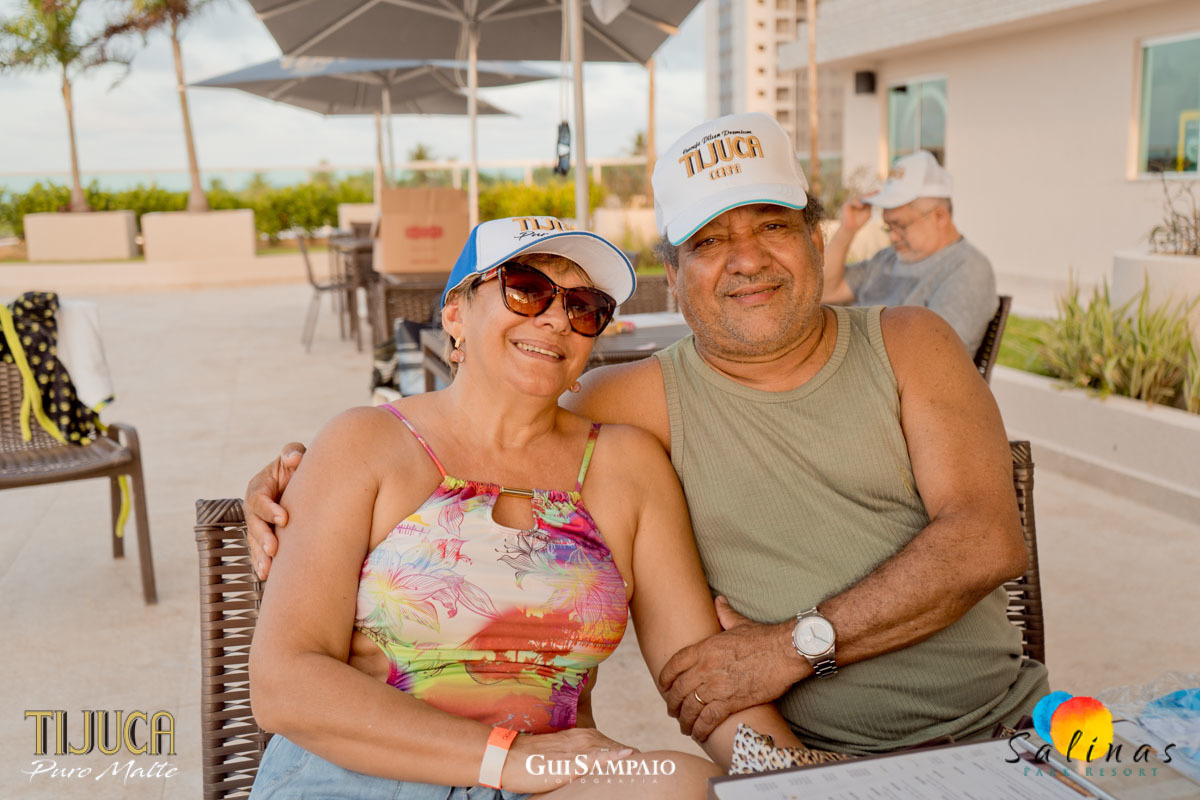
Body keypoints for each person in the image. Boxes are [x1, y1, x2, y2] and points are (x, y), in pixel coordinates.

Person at [246, 113, 1049, 757]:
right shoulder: (628, 405)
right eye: (709, 241)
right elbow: (482, 430)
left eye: (771, 225)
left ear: (815, 237)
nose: (746, 260)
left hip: (1004, 730)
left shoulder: (909, 343)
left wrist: (793, 651)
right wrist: (298, 480)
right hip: (805, 752)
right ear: (675, 270)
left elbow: (986, 538)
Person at [246, 215, 805, 798]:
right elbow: (284, 683)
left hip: (542, 785)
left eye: (584, 307)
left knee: (683, 785)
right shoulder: (366, 442)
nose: (557, 318)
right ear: (456, 314)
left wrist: (805, 780)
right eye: (527, 289)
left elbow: (698, 673)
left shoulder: (626, 466)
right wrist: (507, 757)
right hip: (362, 777)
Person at [820, 149, 998, 353]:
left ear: (939, 217)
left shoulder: (968, 269)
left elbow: (935, 355)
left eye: (901, 226)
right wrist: (847, 229)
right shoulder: (887, 258)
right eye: (889, 226)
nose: (893, 237)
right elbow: (823, 292)